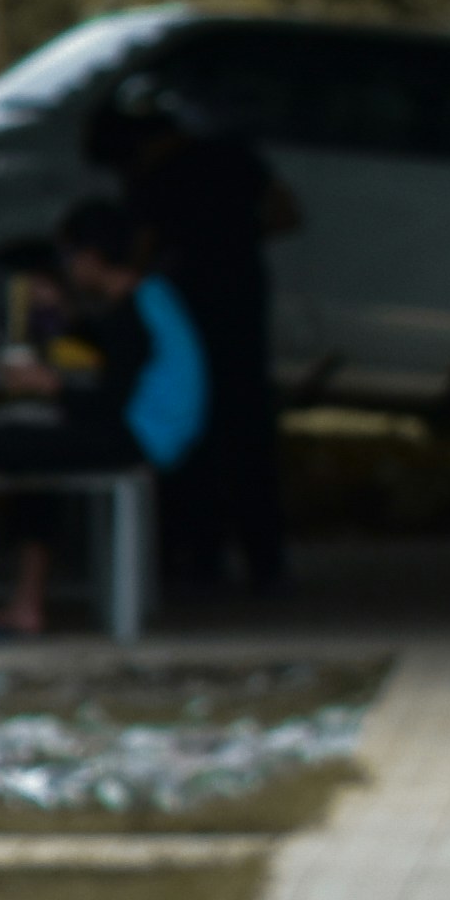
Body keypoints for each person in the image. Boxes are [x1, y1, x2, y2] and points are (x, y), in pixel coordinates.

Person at [0, 198, 204, 640]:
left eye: (68, 258)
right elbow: (104, 350)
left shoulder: (136, 313)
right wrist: (61, 317)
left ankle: (26, 603)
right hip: (142, 431)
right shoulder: (147, 297)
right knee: (26, 439)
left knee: (11, 446)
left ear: (89, 257)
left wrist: (50, 387)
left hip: (141, 438)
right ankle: (26, 600)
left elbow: (109, 405)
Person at [91, 83, 295, 592]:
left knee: (195, 444)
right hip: (242, 312)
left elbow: (139, 251)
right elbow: (285, 212)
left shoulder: (152, 181)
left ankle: (200, 560)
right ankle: (265, 561)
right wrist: (235, 238)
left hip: (188, 318)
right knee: (250, 437)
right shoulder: (233, 157)